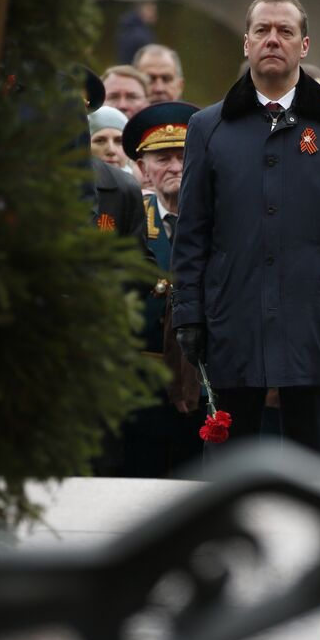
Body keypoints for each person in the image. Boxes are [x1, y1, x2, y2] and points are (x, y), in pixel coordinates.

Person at [171, 0, 320, 456]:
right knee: (230, 460)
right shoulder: (209, 128)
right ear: (245, 43)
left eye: (285, 31)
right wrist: (189, 312)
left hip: (316, 318)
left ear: (304, 46)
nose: (273, 40)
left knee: (314, 461)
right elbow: (193, 232)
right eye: (262, 30)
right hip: (234, 316)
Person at [119, 101, 204, 475]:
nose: (175, 167)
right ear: (142, 169)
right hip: (139, 389)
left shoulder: (222, 223)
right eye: (163, 158)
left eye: (185, 156)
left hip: (202, 385)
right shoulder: (130, 221)